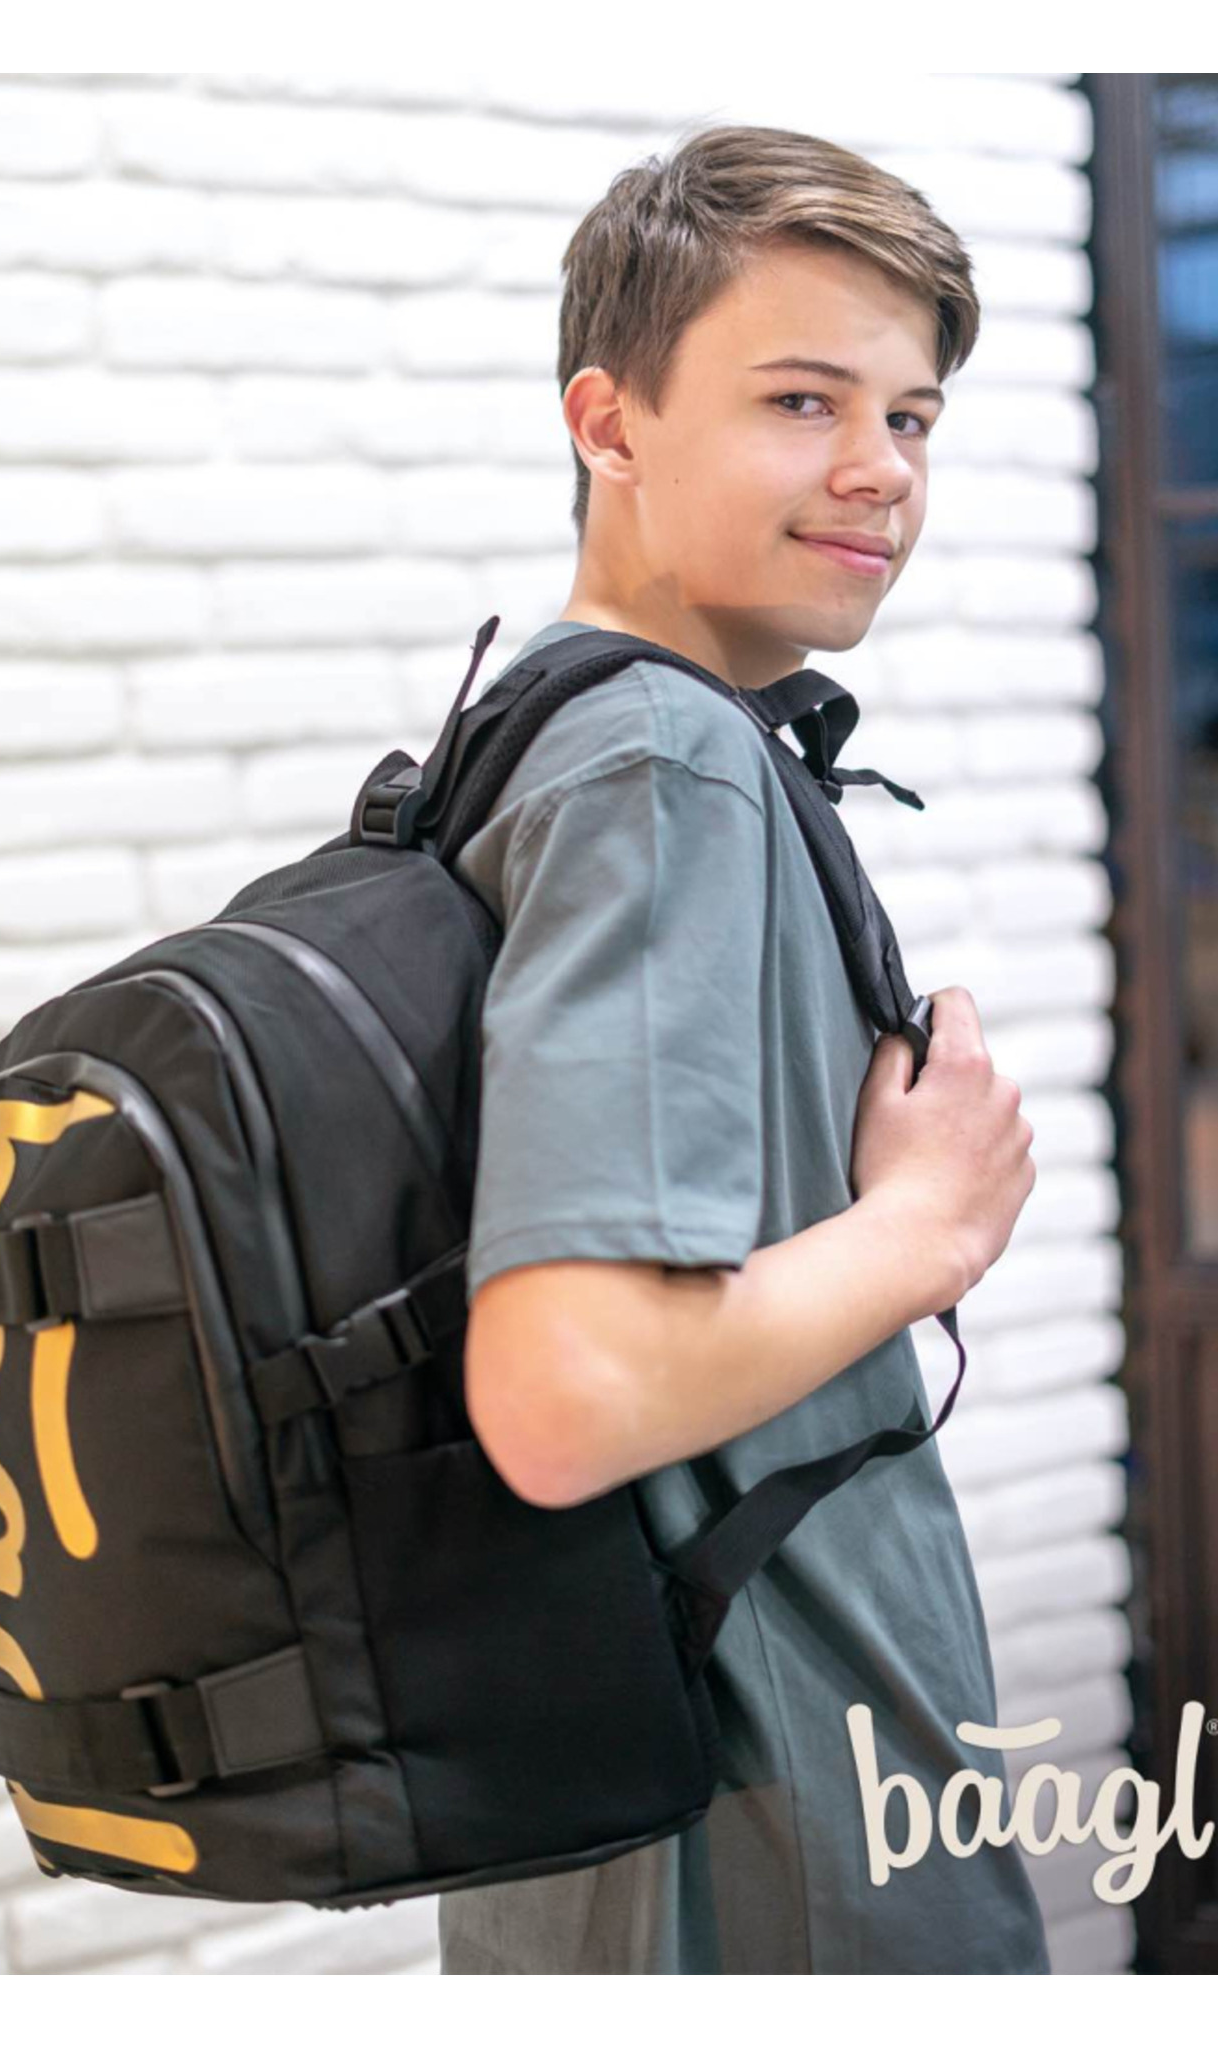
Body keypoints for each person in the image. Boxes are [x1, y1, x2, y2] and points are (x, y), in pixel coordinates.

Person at [438, 124, 1049, 1973]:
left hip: (629, 1818)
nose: (882, 470)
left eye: (912, 417)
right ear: (609, 424)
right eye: (802, 401)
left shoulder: (541, 732)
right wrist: (930, 1226)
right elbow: (564, 1393)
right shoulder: (662, 762)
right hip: (781, 1855)